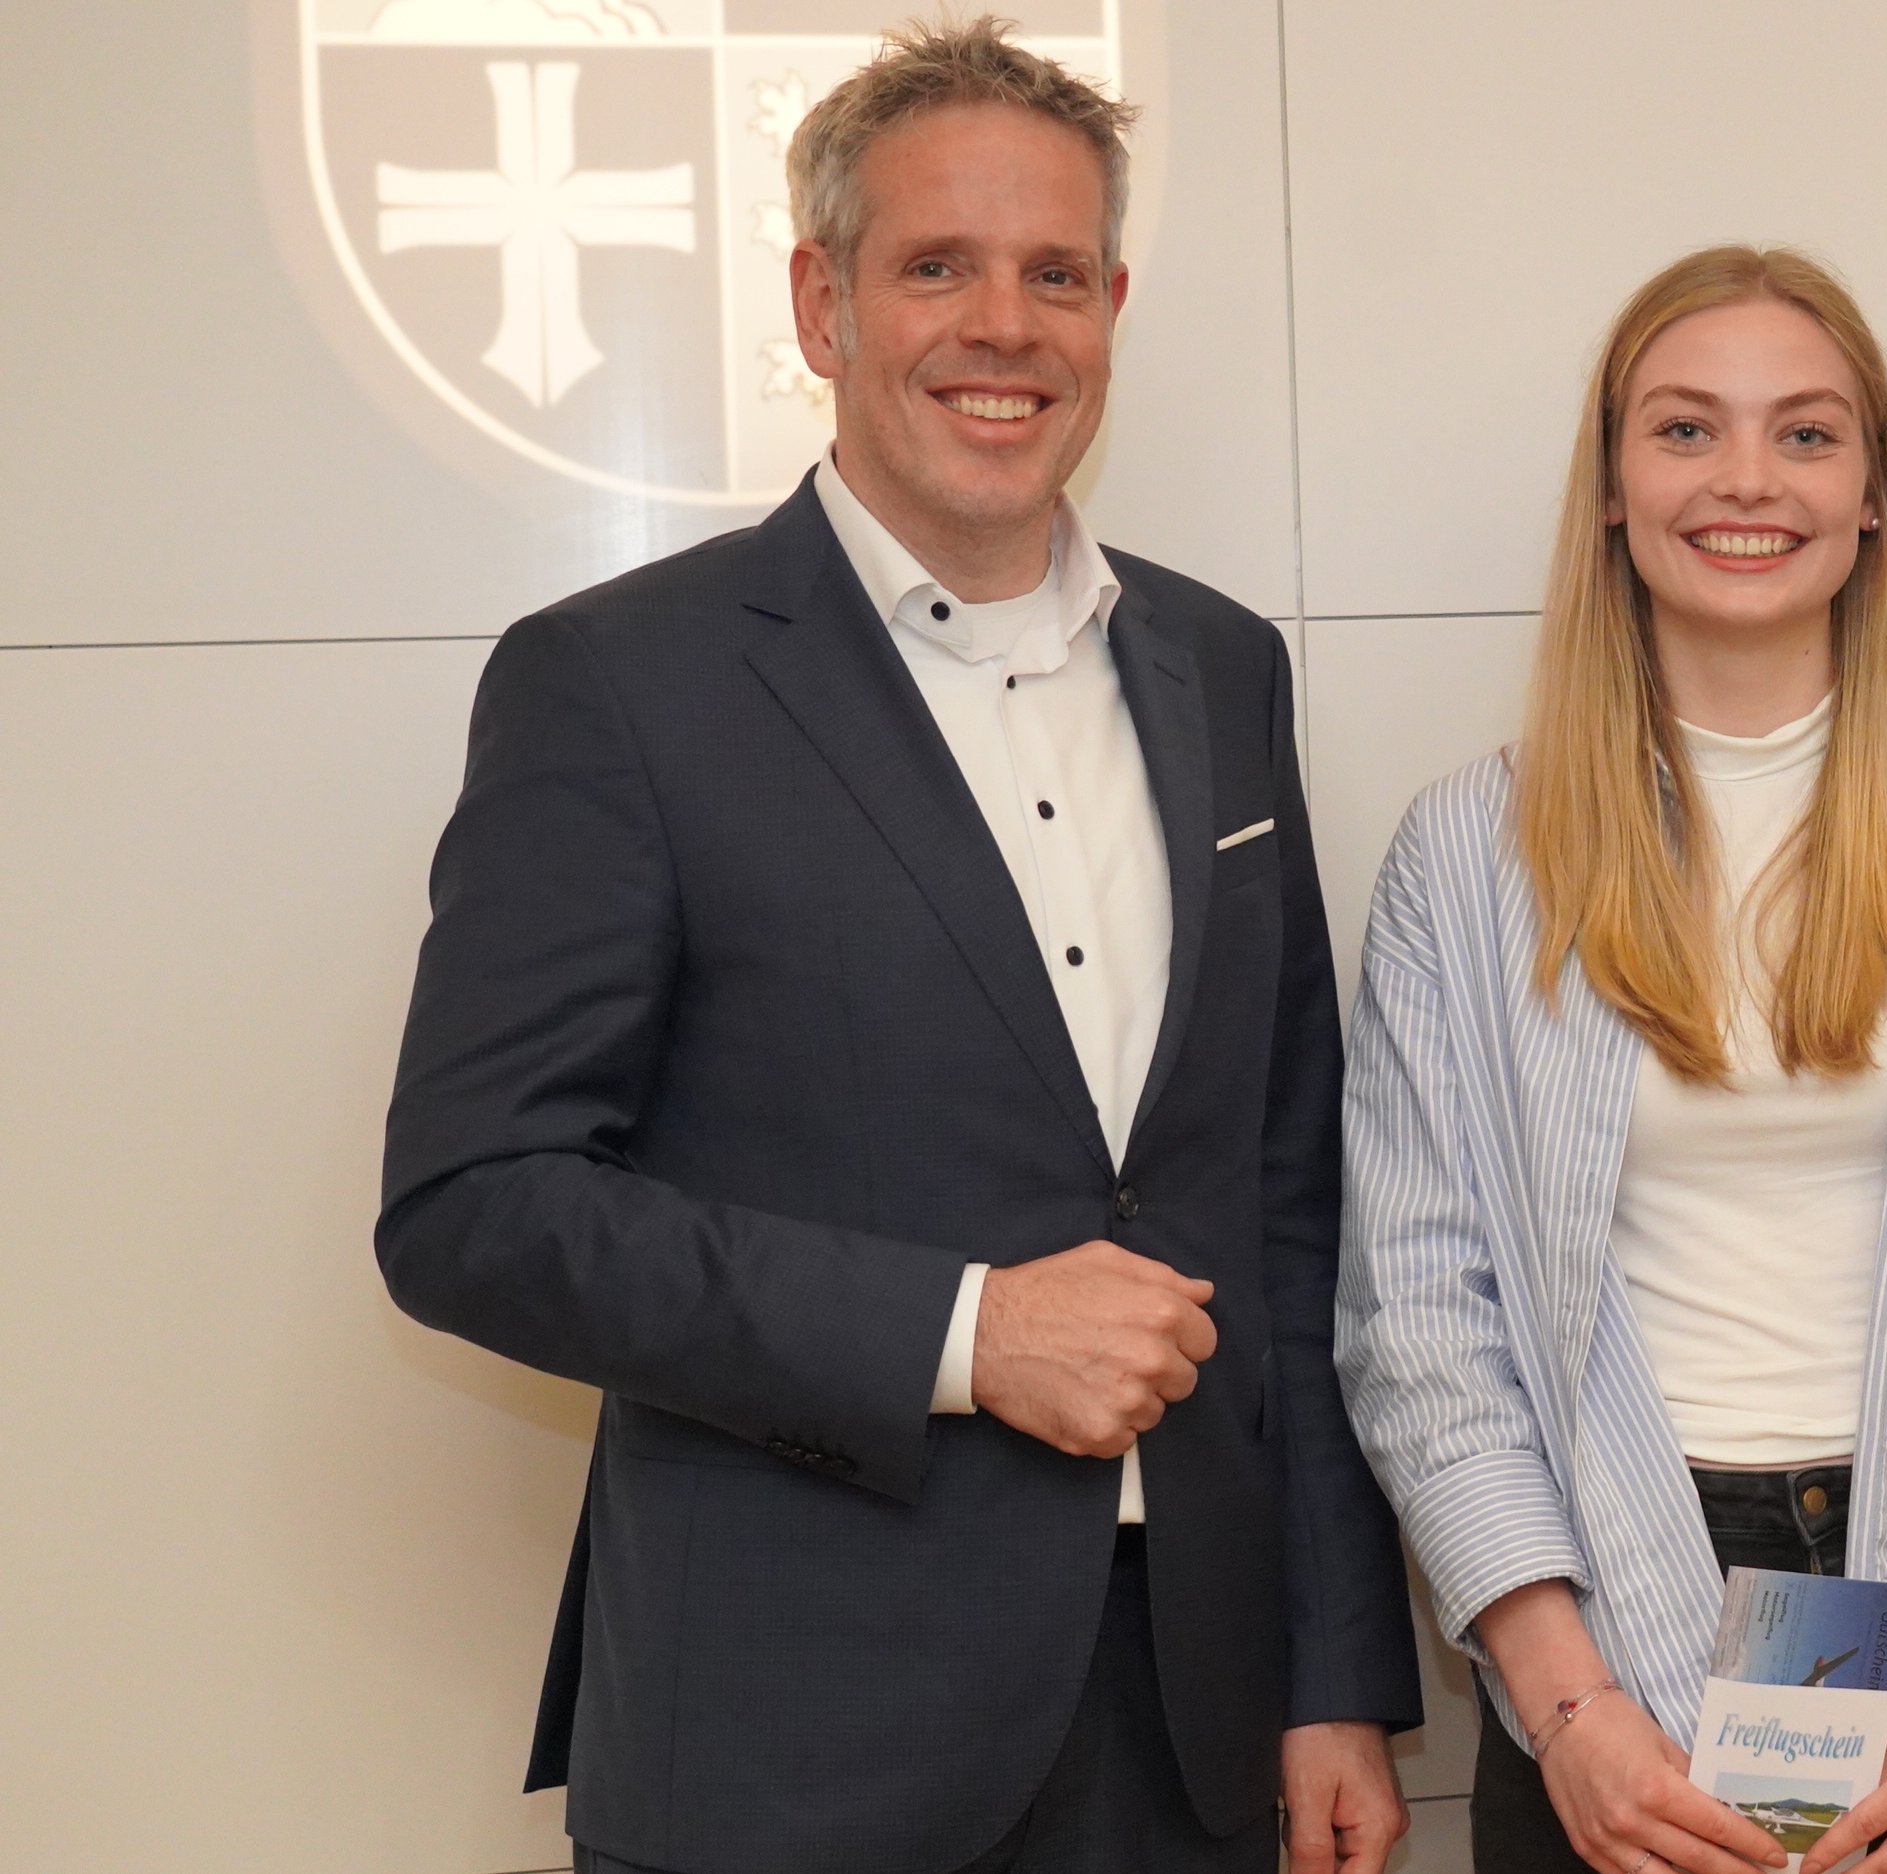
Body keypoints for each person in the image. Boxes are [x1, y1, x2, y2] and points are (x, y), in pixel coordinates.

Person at [373, 24, 1416, 1874]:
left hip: (1184, 1738)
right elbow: (476, 1204)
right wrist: (966, 1330)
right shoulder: (617, 685)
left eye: (1055, 274)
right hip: (791, 1750)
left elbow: (1281, 1201)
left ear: (1111, 307)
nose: (1002, 326)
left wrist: (1332, 1669)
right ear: (821, 302)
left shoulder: (1224, 669)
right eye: (937, 265)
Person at [1334, 245, 1887, 1874]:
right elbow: (1418, 1322)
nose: (1747, 480)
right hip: (1600, 1654)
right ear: (1608, 486)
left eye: (1806, 434)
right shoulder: (1467, 855)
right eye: (1684, 430)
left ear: (1874, 494)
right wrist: (1566, 1698)